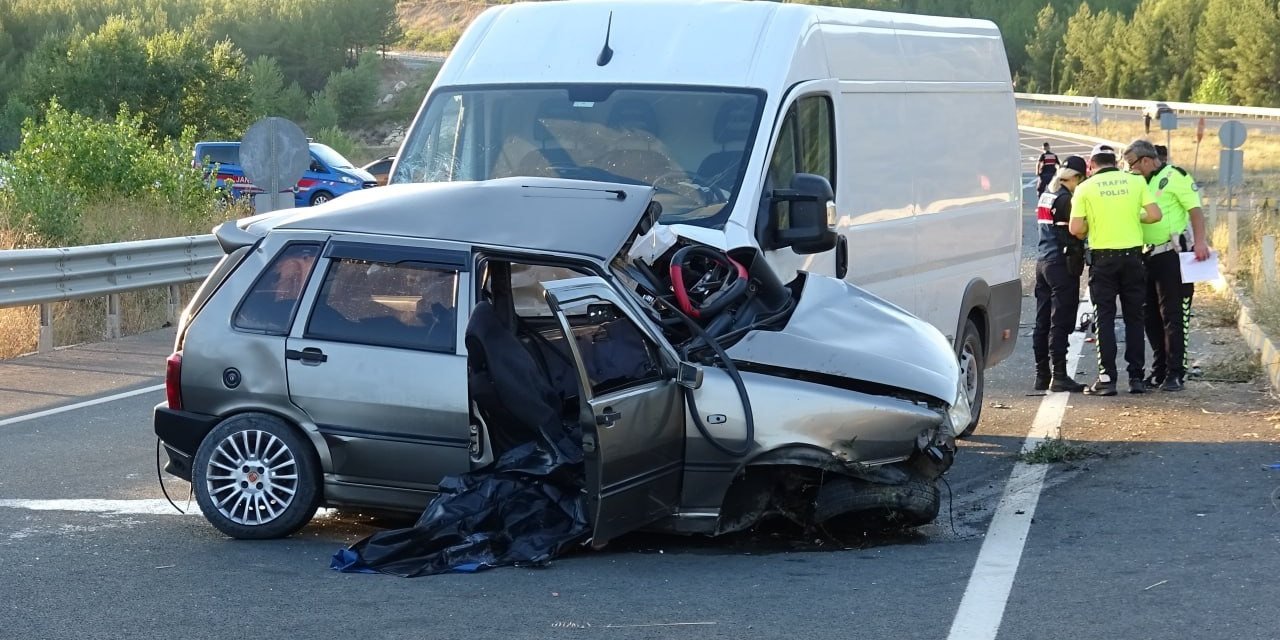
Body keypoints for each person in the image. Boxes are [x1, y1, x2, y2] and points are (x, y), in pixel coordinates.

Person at [1069, 143, 1163, 396]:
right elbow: (1155, 215)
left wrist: (1094, 224)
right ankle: (1136, 378)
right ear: (1115, 161)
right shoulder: (1135, 182)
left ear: (1091, 165)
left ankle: (1107, 378)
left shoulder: (1085, 188)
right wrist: (1134, 217)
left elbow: (1076, 229)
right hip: (1133, 257)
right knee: (1135, 318)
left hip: (1104, 260)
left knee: (1105, 319)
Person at [1123, 139, 1211, 391]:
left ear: (1147, 161)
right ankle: (1159, 368)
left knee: (1172, 316)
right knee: (1149, 316)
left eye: (1132, 164)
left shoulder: (1177, 176)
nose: (1130, 169)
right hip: (1145, 256)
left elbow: (1195, 211)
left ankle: (1175, 372)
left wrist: (1201, 242)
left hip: (1171, 255)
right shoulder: (1139, 182)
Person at [1033, 155, 1088, 393]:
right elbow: (1077, 232)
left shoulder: (1047, 194)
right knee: (1060, 321)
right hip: (1061, 265)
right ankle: (1060, 375)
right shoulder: (1066, 200)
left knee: (1042, 320)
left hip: (1043, 260)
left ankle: (1042, 375)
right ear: (1074, 177)